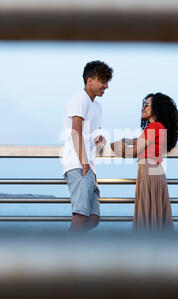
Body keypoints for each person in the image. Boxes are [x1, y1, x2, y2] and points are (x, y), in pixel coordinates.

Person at [111, 93, 178, 231]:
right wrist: (125, 141)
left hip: (148, 173)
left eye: (147, 105)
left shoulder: (154, 127)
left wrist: (114, 146)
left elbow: (133, 151)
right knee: (155, 217)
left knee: (147, 218)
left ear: (157, 108)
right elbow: (137, 141)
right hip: (153, 173)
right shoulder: (157, 128)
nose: (143, 108)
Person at [62, 60, 113, 231]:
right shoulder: (79, 99)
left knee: (93, 218)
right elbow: (75, 131)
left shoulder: (97, 106)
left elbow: (91, 135)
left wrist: (101, 141)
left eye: (107, 81)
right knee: (81, 216)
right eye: (103, 81)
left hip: (89, 166)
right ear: (89, 80)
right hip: (78, 164)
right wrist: (83, 162)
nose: (106, 86)